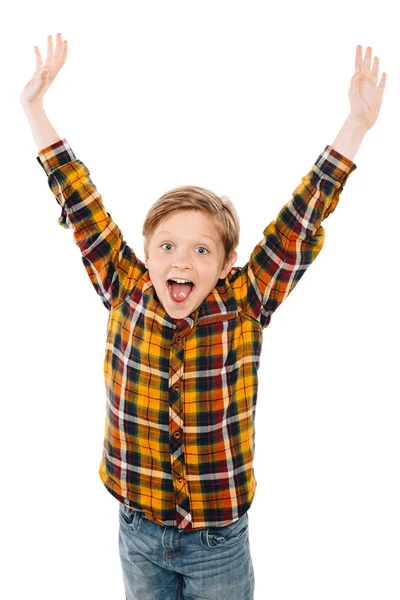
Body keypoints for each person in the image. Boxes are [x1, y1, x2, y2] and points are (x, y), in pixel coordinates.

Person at [21, 33, 386, 600]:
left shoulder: (244, 303)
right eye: (166, 247)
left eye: (200, 250)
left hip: (219, 541)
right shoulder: (125, 288)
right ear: (145, 254)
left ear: (227, 263)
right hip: (137, 529)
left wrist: (355, 126)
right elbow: (80, 202)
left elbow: (299, 223)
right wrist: (35, 109)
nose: (180, 261)